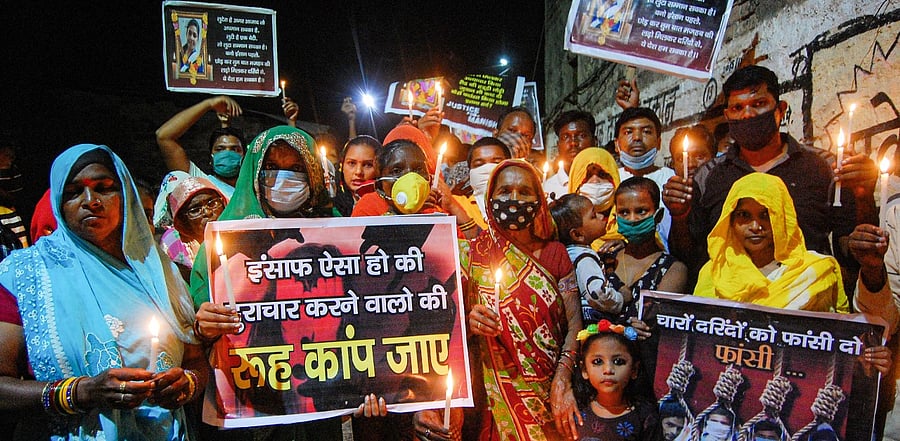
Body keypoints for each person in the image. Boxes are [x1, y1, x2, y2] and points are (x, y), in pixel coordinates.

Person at [0, 144, 207, 439]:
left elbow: (195, 361)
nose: (90, 201)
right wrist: (81, 392)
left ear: (125, 196)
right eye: (73, 193)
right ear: (59, 201)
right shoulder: (24, 275)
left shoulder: (160, 272)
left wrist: (185, 384)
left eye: (104, 188)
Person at [190, 125, 342, 440]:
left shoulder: (339, 232)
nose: (284, 179)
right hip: (255, 413)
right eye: (272, 168)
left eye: (296, 169)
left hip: (322, 407)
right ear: (254, 171)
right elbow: (196, 325)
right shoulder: (224, 242)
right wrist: (202, 327)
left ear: (313, 173)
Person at [663, 65, 874, 279]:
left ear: (780, 109)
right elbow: (688, 256)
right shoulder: (707, 176)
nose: (747, 115)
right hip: (731, 304)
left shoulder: (824, 167)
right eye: (737, 108)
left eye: (758, 104)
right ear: (727, 115)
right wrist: (679, 215)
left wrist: (864, 196)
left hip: (803, 298)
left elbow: (848, 247)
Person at [464, 159, 583, 440]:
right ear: (490, 198)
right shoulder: (473, 255)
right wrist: (470, 322)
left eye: (524, 192)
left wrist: (563, 379)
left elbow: (575, 323)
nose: (514, 199)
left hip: (551, 391)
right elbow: (453, 327)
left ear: (539, 199)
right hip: (497, 397)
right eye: (504, 191)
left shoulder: (555, 254)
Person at [694, 173, 848, 312]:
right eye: (744, 215)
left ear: (782, 218)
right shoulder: (714, 272)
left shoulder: (814, 271)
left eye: (766, 215)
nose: (755, 227)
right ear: (730, 220)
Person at [571, 321, 661, 440]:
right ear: (584, 370)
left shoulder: (644, 417)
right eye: (598, 361)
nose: (608, 370)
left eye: (618, 362)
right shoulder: (577, 412)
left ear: (634, 369)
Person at [608, 177, 687, 313]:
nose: (632, 219)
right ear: (616, 217)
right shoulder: (605, 261)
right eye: (624, 212)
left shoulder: (672, 269)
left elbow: (654, 319)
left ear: (658, 215)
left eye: (641, 211)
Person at [550, 193, 621, 323]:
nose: (601, 216)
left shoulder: (567, 254)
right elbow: (597, 294)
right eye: (593, 216)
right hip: (592, 323)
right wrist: (620, 299)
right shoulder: (584, 259)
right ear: (577, 234)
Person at [156, 95, 246, 198]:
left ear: (245, 156)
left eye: (235, 149)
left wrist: (226, 126)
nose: (227, 154)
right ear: (211, 156)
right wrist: (209, 104)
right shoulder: (200, 182)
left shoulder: (253, 189)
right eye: (220, 149)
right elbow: (164, 137)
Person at [615, 107, 674, 251]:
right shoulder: (609, 180)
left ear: (659, 142)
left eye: (646, 132)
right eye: (628, 132)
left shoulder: (672, 180)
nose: (637, 138)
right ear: (617, 144)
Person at [159, 176, 227, 280]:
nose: (207, 212)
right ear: (183, 220)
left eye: (212, 203)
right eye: (195, 210)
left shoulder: (241, 233)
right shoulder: (172, 244)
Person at [451, 136, 512, 231]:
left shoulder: (522, 205)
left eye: (496, 163)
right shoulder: (455, 204)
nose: (488, 169)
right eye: (479, 165)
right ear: (470, 171)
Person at [545, 110, 598, 201]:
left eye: (582, 135)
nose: (573, 143)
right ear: (558, 145)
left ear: (595, 141)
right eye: (565, 137)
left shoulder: (608, 183)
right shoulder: (547, 189)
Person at [332, 135, 381, 217]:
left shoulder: (385, 206)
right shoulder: (330, 203)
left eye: (368, 165)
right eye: (351, 163)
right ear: (342, 165)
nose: (358, 172)